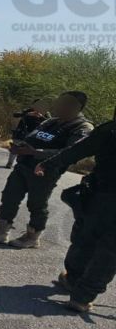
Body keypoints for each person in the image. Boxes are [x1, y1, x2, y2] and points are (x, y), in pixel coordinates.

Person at [0, 92, 94, 249]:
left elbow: (70, 153)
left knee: (36, 204)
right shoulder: (51, 122)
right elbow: (31, 138)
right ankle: (0, 232)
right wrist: (20, 147)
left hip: (45, 171)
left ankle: (32, 237)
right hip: (23, 166)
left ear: (78, 107)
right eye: (60, 102)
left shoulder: (82, 127)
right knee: (9, 197)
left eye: (67, 103)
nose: (61, 106)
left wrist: (35, 152)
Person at [35, 108, 116, 313]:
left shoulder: (110, 130)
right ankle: (82, 296)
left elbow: (78, 150)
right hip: (103, 195)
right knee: (110, 251)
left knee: (86, 238)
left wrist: (49, 163)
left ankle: (74, 280)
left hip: (103, 197)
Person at [6, 99, 49, 169]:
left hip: (35, 136)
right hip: (22, 133)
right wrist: (26, 114)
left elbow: (51, 122)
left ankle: (23, 166)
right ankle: (10, 163)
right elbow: (15, 114)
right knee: (15, 148)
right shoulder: (27, 111)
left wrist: (41, 117)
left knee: (29, 151)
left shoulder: (46, 114)